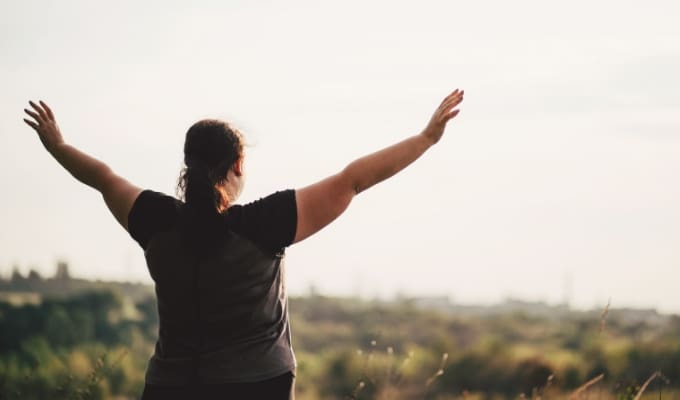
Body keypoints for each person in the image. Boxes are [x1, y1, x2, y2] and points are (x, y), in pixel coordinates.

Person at [22, 89, 464, 399]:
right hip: (258, 387)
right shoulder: (266, 223)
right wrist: (425, 139)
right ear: (238, 164)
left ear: (187, 165)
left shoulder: (153, 221)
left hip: (171, 387)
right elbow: (354, 180)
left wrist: (57, 145)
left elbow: (102, 178)